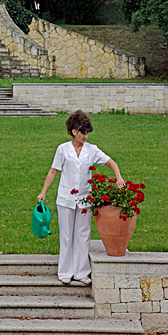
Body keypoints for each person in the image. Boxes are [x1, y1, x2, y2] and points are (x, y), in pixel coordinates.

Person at [37, 110, 125, 285]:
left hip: (85, 199)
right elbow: (53, 171)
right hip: (65, 199)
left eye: (87, 132)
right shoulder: (62, 149)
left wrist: (118, 176)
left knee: (83, 235)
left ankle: (81, 273)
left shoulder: (92, 150)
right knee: (66, 236)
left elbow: (111, 162)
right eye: (83, 132)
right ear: (73, 131)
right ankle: (65, 272)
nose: (86, 135)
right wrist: (43, 191)